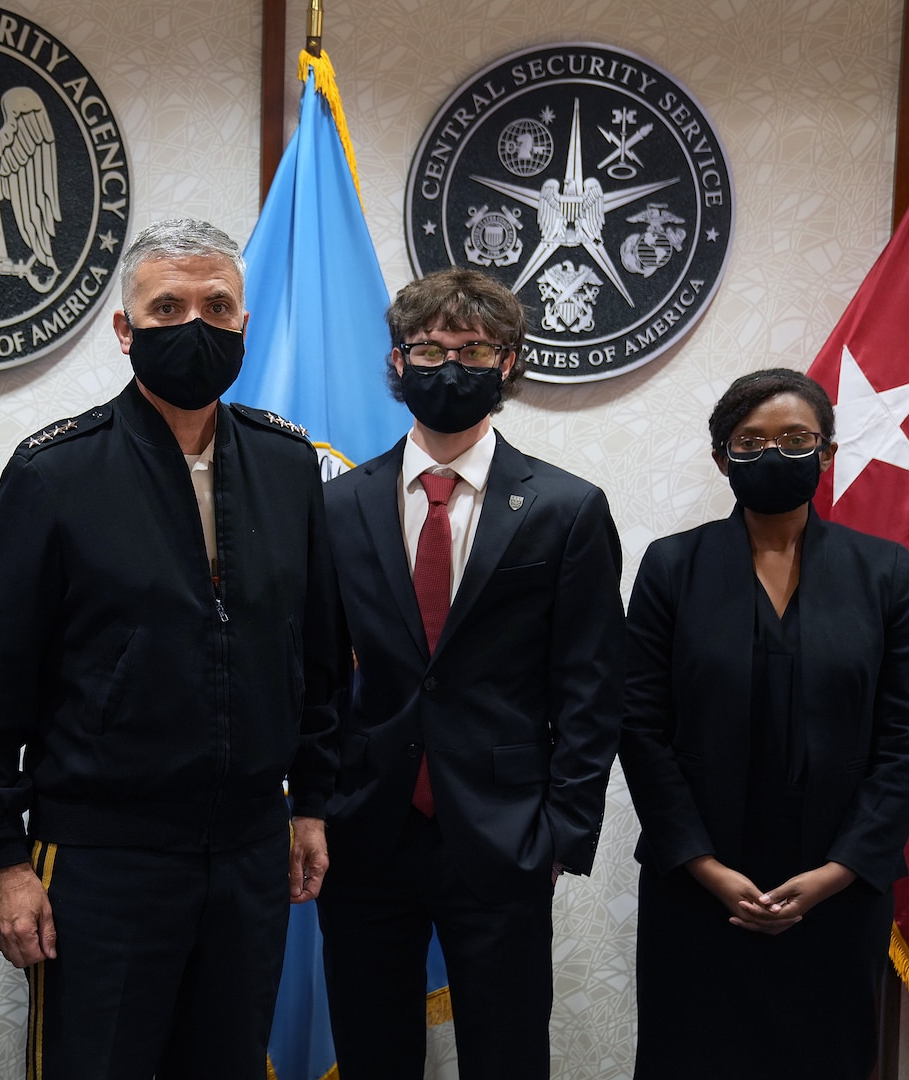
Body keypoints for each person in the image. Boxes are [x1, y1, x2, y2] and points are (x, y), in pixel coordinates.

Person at [0, 218, 340, 1078]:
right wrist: (7, 860)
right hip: (101, 861)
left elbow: (318, 655)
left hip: (249, 852)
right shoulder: (55, 472)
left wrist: (310, 801)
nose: (194, 324)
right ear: (125, 331)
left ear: (246, 323)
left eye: (216, 305)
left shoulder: (288, 466)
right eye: (166, 306)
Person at [317, 267, 624, 1079]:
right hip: (365, 830)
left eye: (472, 349)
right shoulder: (339, 506)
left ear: (509, 363)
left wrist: (563, 831)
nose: (448, 365)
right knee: (371, 1051)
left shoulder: (567, 508)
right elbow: (312, 674)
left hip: (505, 835)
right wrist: (312, 806)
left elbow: (591, 684)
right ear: (397, 362)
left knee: (507, 1055)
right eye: (428, 348)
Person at [618, 368, 909, 1079]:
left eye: (796, 440)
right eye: (751, 441)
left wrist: (838, 871)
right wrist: (706, 869)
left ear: (826, 454)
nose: (774, 455)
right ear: (721, 457)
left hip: (837, 886)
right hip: (699, 887)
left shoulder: (883, 572)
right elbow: (639, 725)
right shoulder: (673, 567)